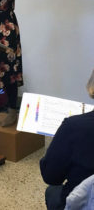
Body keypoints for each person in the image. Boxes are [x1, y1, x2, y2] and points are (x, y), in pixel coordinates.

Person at [40, 69, 94, 210]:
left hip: (82, 202)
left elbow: (51, 177)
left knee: (52, 191)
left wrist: (56, 146)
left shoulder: (73, 126)